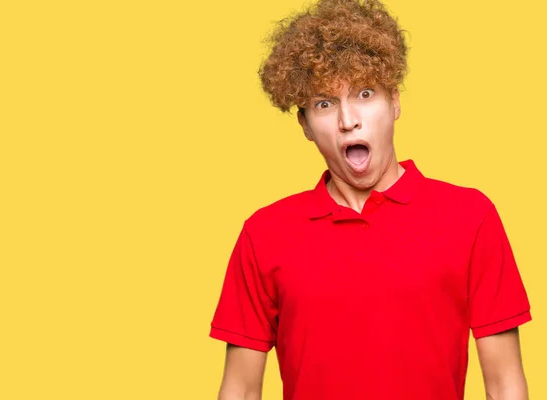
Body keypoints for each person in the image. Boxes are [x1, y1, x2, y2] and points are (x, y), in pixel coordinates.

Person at [209, 0, 532, 398]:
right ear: (305, 125)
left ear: (394, 102)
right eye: (324, 104)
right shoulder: (264, 233)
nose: (348, 120)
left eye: (365, 93)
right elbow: (239, 389)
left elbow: (504, 384)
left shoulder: (470, 217)